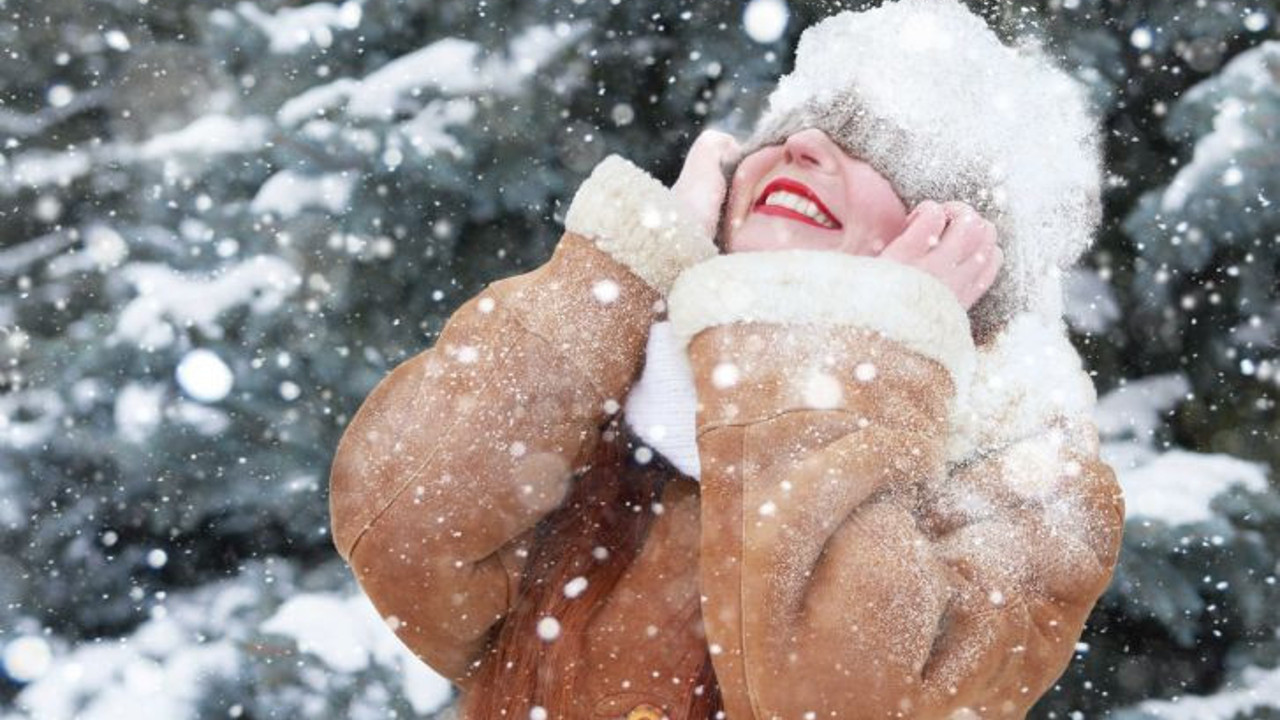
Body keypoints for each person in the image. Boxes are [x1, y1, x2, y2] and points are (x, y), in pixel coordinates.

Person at [327, 1, 1125, 718]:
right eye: (788, 131)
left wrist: (866, 351)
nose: (803, 144)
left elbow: (839, 702)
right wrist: (625, 266)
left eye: (880, 153)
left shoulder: (1030, 482)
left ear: (966, 248)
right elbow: (402, 537)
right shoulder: (610, 380)